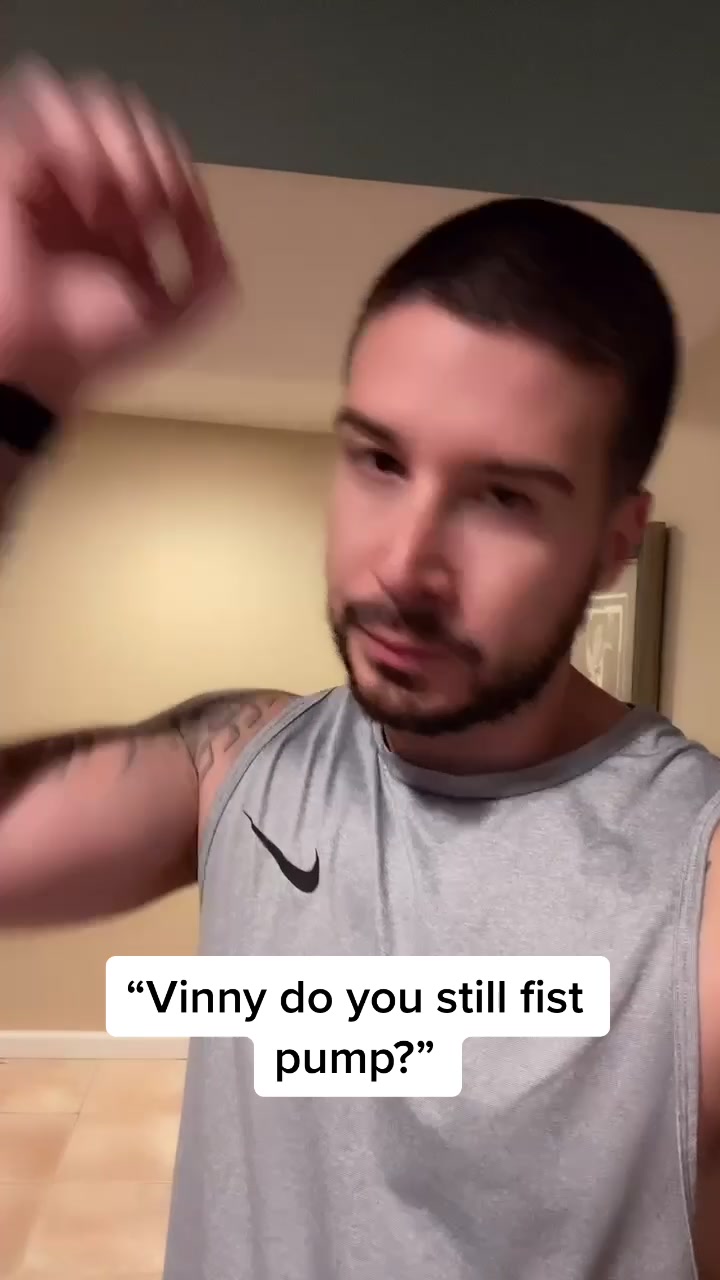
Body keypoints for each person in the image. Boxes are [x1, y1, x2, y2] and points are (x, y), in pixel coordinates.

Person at [0, 59, 718, 1280]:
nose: (405, 563)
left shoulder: (694, 890)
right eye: (380, 461)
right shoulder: (239, 766)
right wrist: (21, 387)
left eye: (503, 496)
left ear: (614, 540)